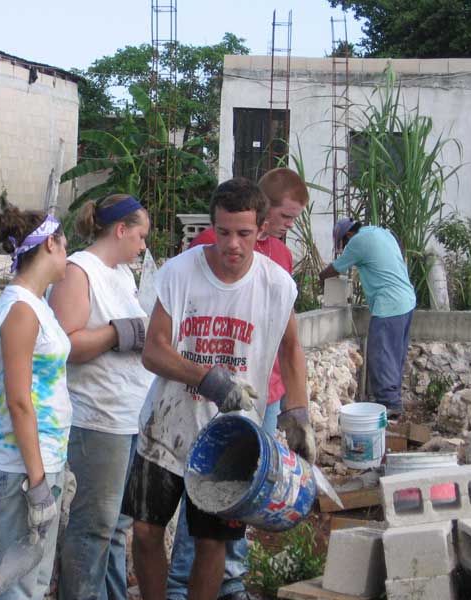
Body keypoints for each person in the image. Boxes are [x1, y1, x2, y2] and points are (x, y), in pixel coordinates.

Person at [122, 177, 316, 600]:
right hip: (166, 428)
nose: (233, 244)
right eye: (224, 232)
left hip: (232, 439)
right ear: (213, 226)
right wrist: (208, 379)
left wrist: (298, 415)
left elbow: (291, 348)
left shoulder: (276, 286)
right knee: (146, 529)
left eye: (244, 234)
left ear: (261, 230)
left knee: (213, 542)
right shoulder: (180, 273)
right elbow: (154, 351)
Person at [49, 194, 155, 600]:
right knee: (94, 525)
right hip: (97, 418)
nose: (143, 246)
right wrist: (117, 333)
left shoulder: (122, 274)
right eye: (140, 236)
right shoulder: (79, 271)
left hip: (129, 415)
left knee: (117, 526)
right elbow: (66, 344)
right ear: (121, 229)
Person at [0, 206, 72, 600]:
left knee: (31, 580)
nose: (67, 255)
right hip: (24, 468)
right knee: (17, 585)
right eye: (64, 245)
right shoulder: (20, 310)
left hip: (40, 461)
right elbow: (19, 401)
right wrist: (37, 484)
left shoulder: (35, 304)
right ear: (50, 243)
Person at [319, 218, 416, 417]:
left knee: (381, 353)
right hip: (407, 301)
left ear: (347, 236)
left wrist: (320, 279)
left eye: (343, 245)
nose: (345, 249)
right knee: (395, 354)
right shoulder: (382, 233)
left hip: (389, 304)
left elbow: (334, 270)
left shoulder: (357, 242)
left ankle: (389, 403)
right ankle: (392, 399)